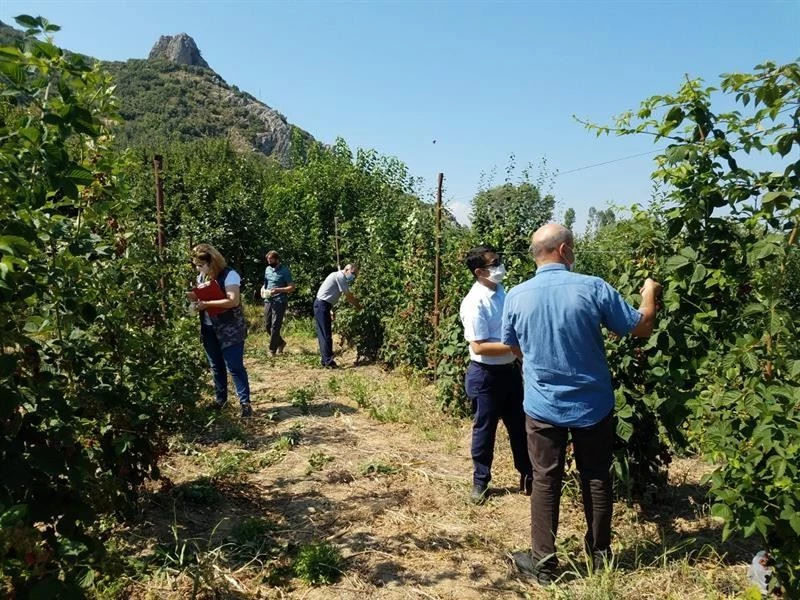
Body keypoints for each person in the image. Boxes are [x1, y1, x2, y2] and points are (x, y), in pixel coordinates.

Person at [502, 224, 661, 584]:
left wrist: (537, 367)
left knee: (545, 479)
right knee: (595, 476)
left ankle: (543, 564)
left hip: (542, 405)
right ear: (562, 249)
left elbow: (513, 347)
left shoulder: (516, 295)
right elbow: (642, 327)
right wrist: (649, 292)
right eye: (571, 248)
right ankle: (600, 555)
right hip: (592, 405)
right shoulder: (592, 287)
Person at [459, 246, 533, 505]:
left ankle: (527, 475)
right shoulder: (474, 302)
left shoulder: (503, 292)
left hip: (509, 371)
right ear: (479, 271)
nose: (500, 266)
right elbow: (479, 346)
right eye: (494, 263)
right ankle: (480, 481)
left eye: (499, 260)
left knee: (519, 426)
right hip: (486, 375)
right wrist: (518, 347)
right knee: (485, 429)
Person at [186, 243, 253, 418]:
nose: (199, 269)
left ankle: (245, 403)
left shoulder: (229, 275)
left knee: (234, 366)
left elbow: (233, 301)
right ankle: (220, 400)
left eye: (201, 265)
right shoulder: (202, 277)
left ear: (212, 262)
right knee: (216, 366)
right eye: (197, 266)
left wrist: (206, 304)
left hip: (230, 329)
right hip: (209, 328)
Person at [313, 264, 361, 368]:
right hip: (322, 305)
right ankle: (328, 361)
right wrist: (359, 306)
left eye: (355, 275)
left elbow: (328, 293)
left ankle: (325, 360)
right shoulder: (340, 277)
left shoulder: (336, 275)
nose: (353, 277)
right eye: (353, 274)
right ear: (347, 270)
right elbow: (348, 296)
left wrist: (330, 309)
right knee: (325, 334)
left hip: (323, 304)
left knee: (325, 334)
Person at [262, 250, 295, 356]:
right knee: (267, 325)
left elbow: (291, 287)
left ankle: (272, 350)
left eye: (271, 260)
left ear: (277, 259)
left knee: (276, 325)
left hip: (280, 301)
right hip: (268, 300)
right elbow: (266, 283)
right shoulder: (267, 269)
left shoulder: (285, 271)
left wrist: (278, 290)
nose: (269, 262)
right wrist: (262, 289)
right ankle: (281, 342)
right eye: (268, 259)